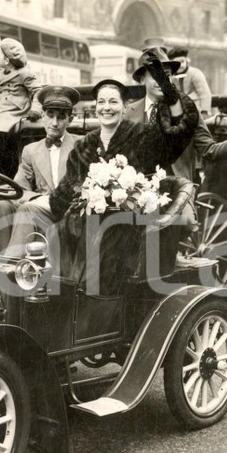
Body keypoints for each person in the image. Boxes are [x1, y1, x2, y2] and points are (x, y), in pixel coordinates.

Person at [49, 56, 199, 295]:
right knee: (52, 234)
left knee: (100, 237)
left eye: (113, 102)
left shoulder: (141, 136)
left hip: (127, 225)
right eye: (101, 102)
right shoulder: (84, 145)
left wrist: (168, 90)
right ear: (94, 106)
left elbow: (180, 129)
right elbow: (65, 190)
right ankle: (58, 298)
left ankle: (92, 305)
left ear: (124, 106)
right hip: (84, 222)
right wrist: (73, 201)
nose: (106, 107)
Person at [127, 48, 227, 186]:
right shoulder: (127, 113)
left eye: (167, 75)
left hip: (177, 197)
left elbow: (211, 150)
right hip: (137, 200)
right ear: (142, 79)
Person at [0, 85, 82, 256]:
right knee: (3, 206)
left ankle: (8, 266)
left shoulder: (81, 146)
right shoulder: (30, 150)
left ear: (70, 119)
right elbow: (19, 189)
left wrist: (44, 201)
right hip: (39, 207)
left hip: (68, 214)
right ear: (42, 116)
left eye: (61, 117)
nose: (54, 123)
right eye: (50, 116)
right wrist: (39, 198)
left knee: (28, 209)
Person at [0, 38, 41, 170]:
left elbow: (38, 91)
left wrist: (36, 109)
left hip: (15, 110)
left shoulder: (25, 73)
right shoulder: (2, 74)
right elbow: (5, 93)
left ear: (7, 60)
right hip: (2, 108)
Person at [167, 46, 212, 116]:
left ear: (187, 61)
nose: (180, 65)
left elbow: (205, 93)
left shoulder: (195, 73)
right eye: (176, 63)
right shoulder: (171, 77)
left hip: (196, 109)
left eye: (182, 61)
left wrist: (204, 111)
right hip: (179, 111)